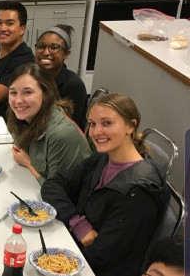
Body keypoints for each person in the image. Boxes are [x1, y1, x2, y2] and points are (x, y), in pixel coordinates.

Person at [41, 93, 170, 276]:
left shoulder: (139, 193)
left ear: (130, 126)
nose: (96, 132)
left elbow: (100, 256)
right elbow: (53, 185)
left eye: (107, 123)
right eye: (92, 124)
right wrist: (77, 222)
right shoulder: (102, 159)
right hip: (77, 248)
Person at [7, 63, 91, 185]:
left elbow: (57, 192)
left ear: (45, 94)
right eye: (13, 93)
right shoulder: (25, 116)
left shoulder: (61, 134)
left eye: (27, 92)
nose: (18, 100)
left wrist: (29, 164)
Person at [35, 25, 87, 130]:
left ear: (66, 54)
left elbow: (72, 128)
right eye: (41, 46)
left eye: (54, 47)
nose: (46, 52)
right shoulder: (30, 76)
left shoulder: (73, 85)